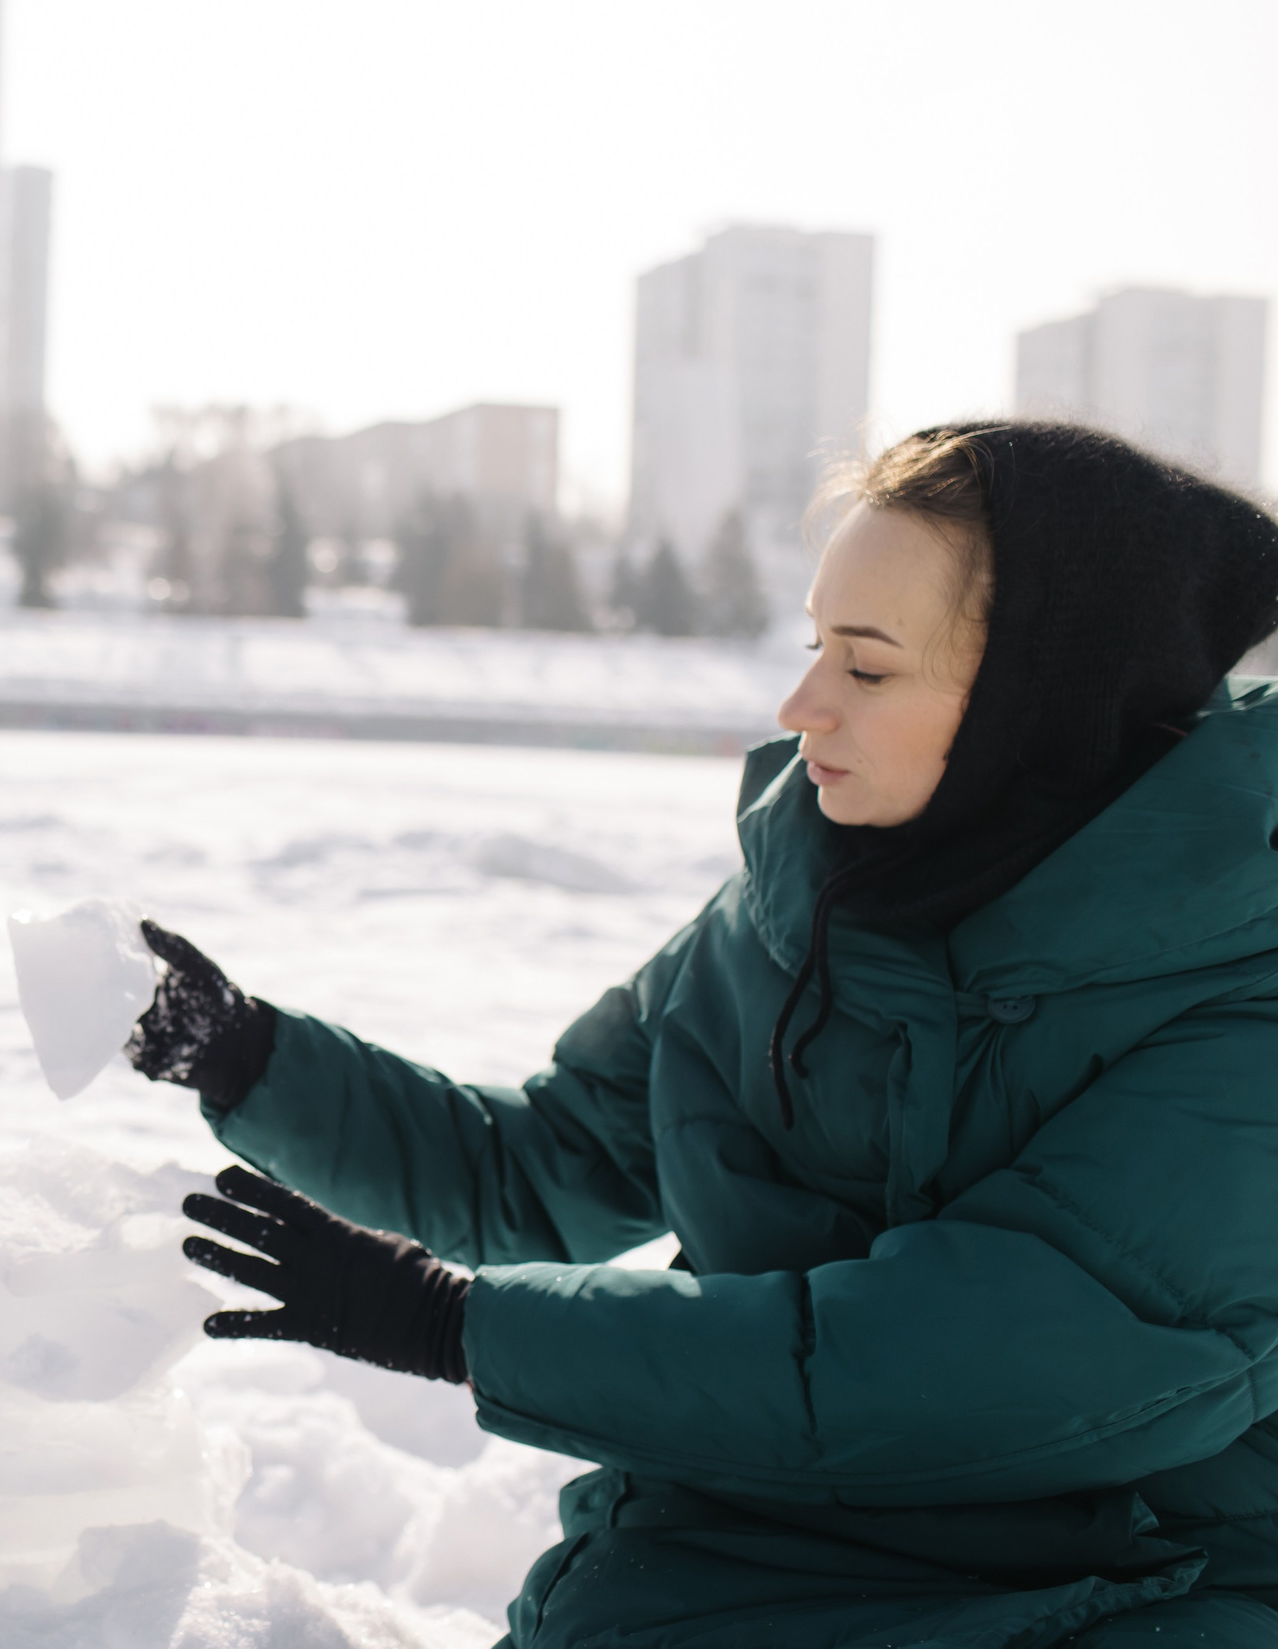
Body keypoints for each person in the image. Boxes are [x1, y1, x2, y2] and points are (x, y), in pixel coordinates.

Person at [131, 422, 1278, 1646]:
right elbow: (547, 1162)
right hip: (744, 1529)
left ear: (1045, 703)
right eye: (812, 648)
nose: (801, 707)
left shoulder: (1238, 995)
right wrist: (250, 1055)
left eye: (869, 668)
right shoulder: (798, 908)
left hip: (1131, 1572)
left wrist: (455, 1326)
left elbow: (956, 1367)